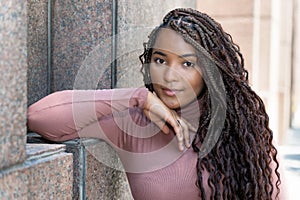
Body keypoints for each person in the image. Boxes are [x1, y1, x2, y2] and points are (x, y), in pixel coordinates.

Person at [27, 8, 283, 200]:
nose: (170, 76)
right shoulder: (134, 121)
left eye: (187, 64)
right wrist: (138, 97)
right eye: (160, 60)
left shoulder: (240, 130)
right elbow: (40, 116)